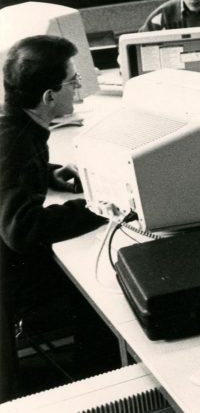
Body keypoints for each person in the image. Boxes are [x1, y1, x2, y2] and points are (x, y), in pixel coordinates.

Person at [0, 36, 118, 398]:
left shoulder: (16, 127)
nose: (78, 87)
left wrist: (48, 173)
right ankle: (99, 385)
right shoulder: (16, 141)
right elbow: (21, 229)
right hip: (9, 277)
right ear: (49, 96)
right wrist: (98, 206)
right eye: (72, 81)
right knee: (103, 281)